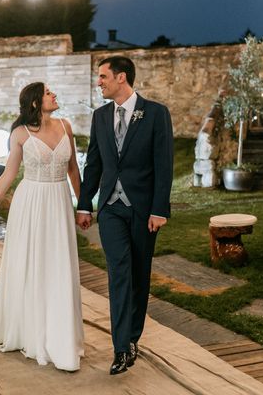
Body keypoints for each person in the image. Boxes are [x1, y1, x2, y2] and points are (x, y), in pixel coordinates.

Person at [0, 82, 84, 372]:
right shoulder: (20, 134)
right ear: (36, 102)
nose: (54, 95)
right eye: (49, 92)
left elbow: (73, 168)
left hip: (59, 201)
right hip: (31, 204)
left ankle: (60, 335)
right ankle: (30, 332)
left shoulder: (65, 126)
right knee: (32, 265)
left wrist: (83, 205)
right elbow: (9, 174)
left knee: (58, 265)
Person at [76, 56, 173, 375]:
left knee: (139, 274)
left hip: (145, 210)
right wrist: (85, 203)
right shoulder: (100, 116)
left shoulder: (156, 113)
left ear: (121, 78)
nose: (99, 82)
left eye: (103, 76)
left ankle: (133, 338)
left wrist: (160, 208)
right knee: (119, 273)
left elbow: (164, 164)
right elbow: (94, 163)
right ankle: (121, 347)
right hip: (112, 210)